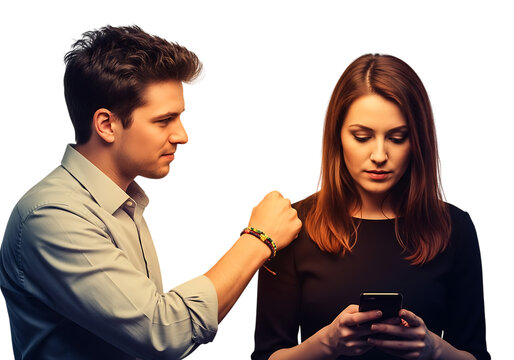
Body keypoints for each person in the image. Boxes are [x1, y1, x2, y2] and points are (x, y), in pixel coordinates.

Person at [0, 25, 301, 360]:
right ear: (106, 124)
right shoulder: (53, 217)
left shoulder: (119, 203)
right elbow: (163, 332)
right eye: (164, 120)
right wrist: (259, 238)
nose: (181, 135)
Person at [252, 54, 490, 360]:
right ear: (337, 136)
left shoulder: (454, 227)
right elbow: (265, 356)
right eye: (362, 137)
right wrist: (325, 345)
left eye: (397, 137)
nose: (379, 154)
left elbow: (475, 355)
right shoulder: (290, 225)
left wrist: (434, 350)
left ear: (418, 141)